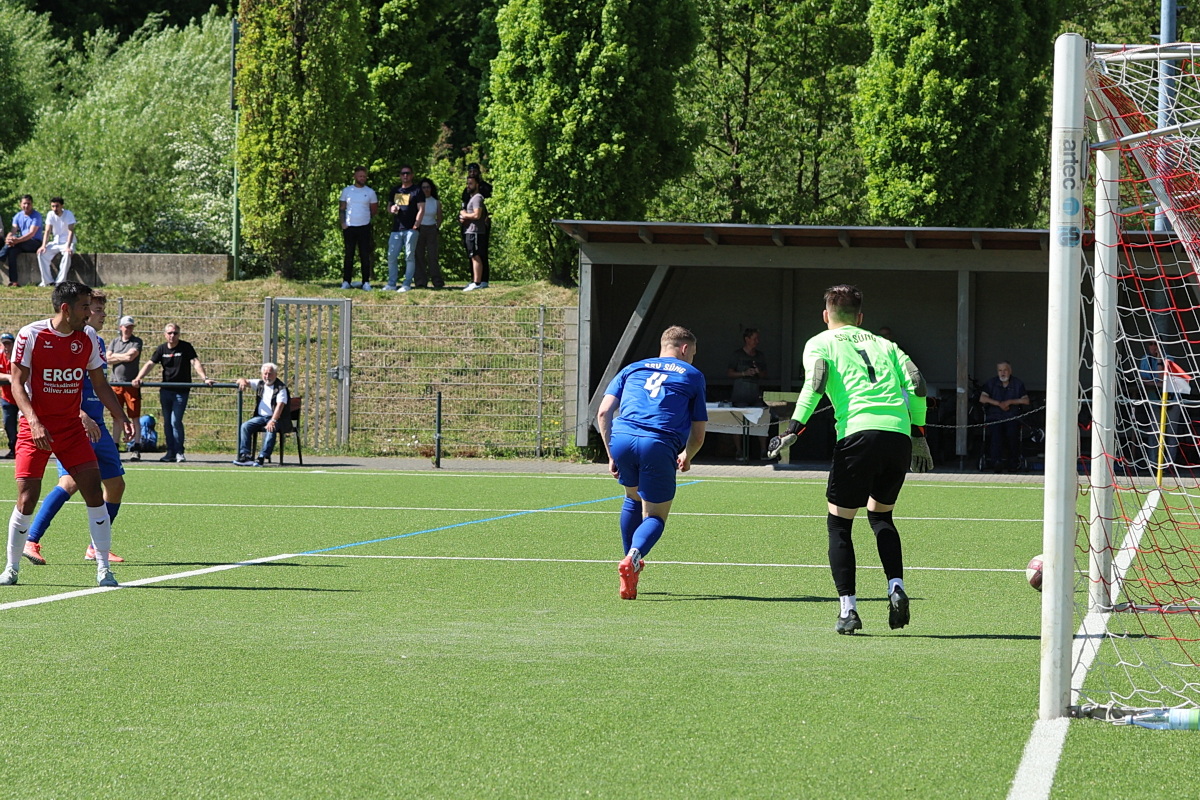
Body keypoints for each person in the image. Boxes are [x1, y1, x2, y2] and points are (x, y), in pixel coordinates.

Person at [769, 284, 932, 634]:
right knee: (881, 515)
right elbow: (917, 383)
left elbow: (815, 384)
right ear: (860, 318)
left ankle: (849, 610)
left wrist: (794, 428)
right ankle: (896, 586)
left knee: (840, 524)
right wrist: (918, 433)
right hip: (897, 436)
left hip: (857, 434)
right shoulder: (886, 345)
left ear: (825, 315)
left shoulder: (820, 342)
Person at [0, 282, 134, 588]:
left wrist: (120, 415)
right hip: (34, 426)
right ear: (66, 308)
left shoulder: (89, 338)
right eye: (84, 306)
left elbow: (100, 384)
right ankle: (11, 567)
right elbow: (17, 384)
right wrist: (34, 421)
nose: (89, 313)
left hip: (71, 428)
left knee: (93, 490)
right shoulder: (31, 334)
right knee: (27, 497)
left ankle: (103, 569)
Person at [596, 325, 707, 600]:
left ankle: (631, 566)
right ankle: (633, 557)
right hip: (657, 443)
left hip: (622, 438)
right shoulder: (692, 375)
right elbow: (698, 433)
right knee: (655, 515)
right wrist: (688, 455)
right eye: (693, 353)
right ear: (685, 349)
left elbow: (603, 412)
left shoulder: (632, 368)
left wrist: (611, 453)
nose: (692, 358)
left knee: (632, 498)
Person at [22, 291, 126, 566]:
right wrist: (80, 415)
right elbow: (61, 386)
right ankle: (31, 539)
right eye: (96, 309)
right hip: (76, 424)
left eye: (101, 309)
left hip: (98, 425)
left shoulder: (94, 341)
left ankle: (95, 547)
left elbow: (99, 385)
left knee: (116, 485)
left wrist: (118, 416)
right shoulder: (64, 340)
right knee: (69, 483)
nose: (101, 314)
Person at [131, 323, 215, 463]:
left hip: (181, 391)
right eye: (169, 333)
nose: (172, 336)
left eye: (175, 333)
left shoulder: (185, 347)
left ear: (179, 334)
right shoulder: (161, 349)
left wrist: (205, 378)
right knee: (167, 423)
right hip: (166, 390)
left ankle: (179, 452)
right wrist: (138, 378)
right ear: (165, 334)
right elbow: (150, 363)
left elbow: (195, 362)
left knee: (175, 421)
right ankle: (170, 452)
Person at [1138, 341, 1188, 468]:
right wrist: (1158, 384)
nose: (1153, 347)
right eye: (1151, 344)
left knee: (1171, 432)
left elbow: (1162, 378)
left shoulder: (1169, 359)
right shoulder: (1145, 359)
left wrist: (1160, 360)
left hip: (1172, 398)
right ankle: (1153, 463)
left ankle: (1170, 463)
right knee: (1155, 431)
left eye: (1156, 344)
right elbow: (1143, 381)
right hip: (1154, 398)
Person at [233, 363, 291, 467]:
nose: (267, 376)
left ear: (275, 374)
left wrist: (273, 420)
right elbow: (244, 381)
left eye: (270, 374)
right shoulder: (260, 383)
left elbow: (280, 406)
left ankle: (262, 457)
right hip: (260, 417)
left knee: (271, 428)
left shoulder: (281, 388)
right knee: (245, 426)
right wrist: (241, 380)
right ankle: (245, 455)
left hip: (278, 418)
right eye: (265, 374)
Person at [726, 327, 770, 459]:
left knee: (762, 420)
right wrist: (744, 373)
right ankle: (739, 451)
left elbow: (765, 375)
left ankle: (763, 451)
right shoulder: (737, 355)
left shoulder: (760, 356)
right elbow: (729, 373)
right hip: (740, 394)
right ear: (747, 339)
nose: (757, 341)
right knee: (738, 422)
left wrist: (758, 372)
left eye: (758, 339)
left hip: (755, 394)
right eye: (754, 338)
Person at [979, 360, 1030, 472]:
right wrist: (998, 404)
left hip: (1012, 417)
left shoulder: (1018, 383)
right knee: (996, 435)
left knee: (1012, 434)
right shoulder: (991, 383)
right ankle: (996, 462)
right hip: (995, 417)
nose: (1002, 373)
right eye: (1000, 370)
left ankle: (1013, 463)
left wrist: (1010, 401)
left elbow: (1026, 400)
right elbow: (982, 398)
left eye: (1005, 370)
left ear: (1010, 371)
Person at [108, 315, 144, 458]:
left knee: (134, 416)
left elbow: (131, 356)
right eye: (126, 327)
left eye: (131, 327)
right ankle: (115, 446)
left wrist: (115, 356)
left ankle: (136, 447)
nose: (128, 329)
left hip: (131, 384)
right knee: (116, 416)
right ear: (120, 327)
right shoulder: (114, 341)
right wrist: (122, 356)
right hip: (116, 384)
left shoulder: (136, 341)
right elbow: (107, 358)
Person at [386, 165, 425, 292]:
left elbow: (421, 209)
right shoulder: (396, 190)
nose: (405, 175)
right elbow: (389, 207)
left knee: (409, 256)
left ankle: (406, 284)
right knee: (392, 256)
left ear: (412, 175)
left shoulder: (417, 191)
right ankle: (391, 284)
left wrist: (416, 225)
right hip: (396, 229)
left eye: (407, 173)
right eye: (403, 173)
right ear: (400, 175)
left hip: (411, 229)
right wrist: (392, 209)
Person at [339, 166, 378, 290]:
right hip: (350, 227)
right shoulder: (347, 191)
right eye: (360, 176)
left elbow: (374, 210)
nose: (362, 178)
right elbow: (342, 208)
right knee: (349, 254)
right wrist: (343, 223)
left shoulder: (370, 192)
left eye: (364, 176)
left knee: (364, 255)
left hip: (364, 227)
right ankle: (346, 281)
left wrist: (365, 218)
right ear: (355, 176)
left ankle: (365, 281)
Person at [0, 195, 43, 287]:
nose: (26, 206)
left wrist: (17, 240)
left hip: (34, 242)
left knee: (14, 242)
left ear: (32, 204)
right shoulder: (18, 216)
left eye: (28, 204)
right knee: (12, 251)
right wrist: (8, 238)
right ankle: (14, 281)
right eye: (24, 203)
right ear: (20, 204)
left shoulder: (36, 216)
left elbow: (31, 233)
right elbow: (13, 231)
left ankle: (1, 256)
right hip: (20, 243)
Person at [37, 197, 77, 287]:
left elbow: (71, 231)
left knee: (67, 255)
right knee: (41, 254)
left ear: (62, 206)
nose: (55, 208)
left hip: (67, 242)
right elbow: (47, 231)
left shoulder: (68, 214)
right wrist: (43, 246)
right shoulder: (50, 214)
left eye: (57, 206)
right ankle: (47, 281)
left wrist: (68, 247)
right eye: (53, 206)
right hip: (56, 242)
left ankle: (60, 282)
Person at [459, 174, 489, 291]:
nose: (468, 186)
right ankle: (477, 281)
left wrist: (464, 214)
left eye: (471, 183)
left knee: (476, 256)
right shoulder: (471, 198)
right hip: (470, 230)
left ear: (477, 184)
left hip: (475, 232)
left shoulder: (477, 198)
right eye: (467, 183)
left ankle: (477, 282)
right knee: (473, 256)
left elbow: (477, 215)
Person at [414, 178, 444, 289]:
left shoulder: (436, 202)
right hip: (419, 229)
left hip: (431, 229)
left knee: (433, 256)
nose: (426, 189)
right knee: (419, 256)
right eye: (423, 187)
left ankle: (437, 281)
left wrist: (436, 228)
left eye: (428, 187)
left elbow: (439, 217)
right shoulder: (417, 201)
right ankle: (420, 281)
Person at [0, 333, 17, 458]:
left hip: (23, 398)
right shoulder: (0, 356)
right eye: (4, 344)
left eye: (9, 344)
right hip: (7, 398)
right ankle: (13, 449)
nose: (6, 347)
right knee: (8, 425)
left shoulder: (20, 355)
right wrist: (8, 377)